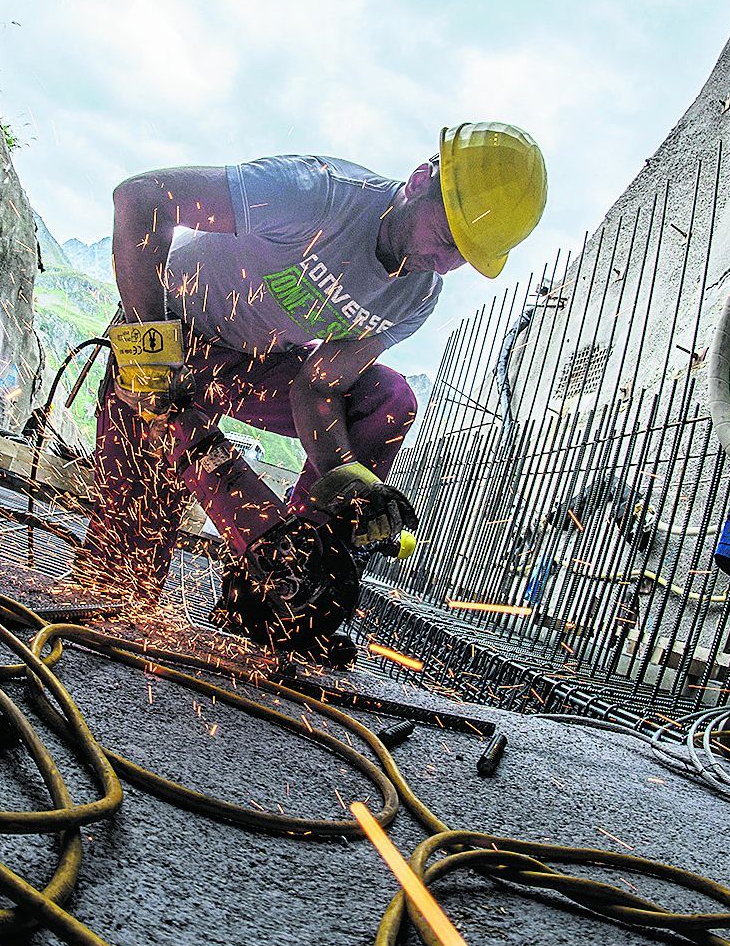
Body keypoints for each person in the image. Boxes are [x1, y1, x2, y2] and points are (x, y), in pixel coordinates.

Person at [77, 121, 547, 658]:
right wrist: (147, 351)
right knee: (118, 583)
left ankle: (280, 592)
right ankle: (222, 547)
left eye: (465, 255)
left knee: (388, 401)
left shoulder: (415, 297)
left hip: (257, 367)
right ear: (421, 181)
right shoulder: (316, 194)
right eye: (446, 239)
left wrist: (350, 480)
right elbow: (142, 199)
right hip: (172, 337)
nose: (445, 263)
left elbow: (318, 388)